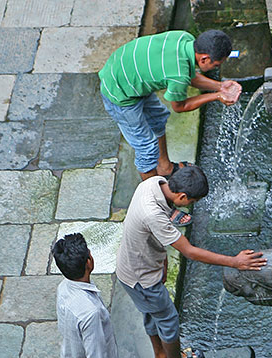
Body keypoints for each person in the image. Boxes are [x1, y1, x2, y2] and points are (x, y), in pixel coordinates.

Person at [116, 164, 266, 358]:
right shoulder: (153, 214)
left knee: (151, 315)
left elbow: (152, 235)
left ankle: (161, 357)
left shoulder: (153, 183)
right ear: (183, 196)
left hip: (132, 268)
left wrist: (163, 261)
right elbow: (190, 251)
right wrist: (235, 262)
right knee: (168, 320)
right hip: (142, 278)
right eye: (192, 203)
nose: (191, 206)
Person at [99, 29, 242, 224]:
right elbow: (180, 106)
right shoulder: (178, 74)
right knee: (146, 147)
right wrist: (217, 96)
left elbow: (189, 76)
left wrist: (219, 86)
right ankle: (158, 204)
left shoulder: (186, 39)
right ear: (205, 58)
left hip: (129, 72)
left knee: (158, 117)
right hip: (120, 92)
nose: (216, 67)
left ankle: (165, 168)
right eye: (216, 64)